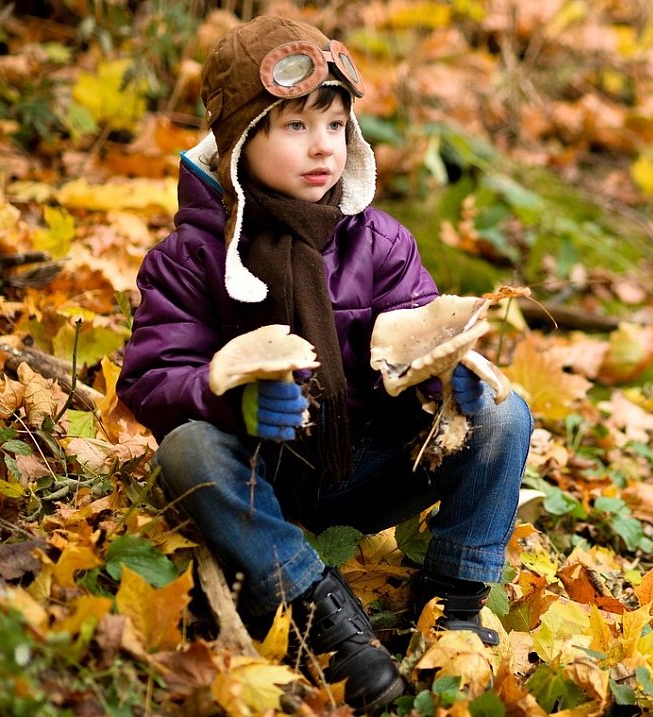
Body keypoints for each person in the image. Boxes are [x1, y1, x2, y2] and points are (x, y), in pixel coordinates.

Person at [115, 15, 533, 712]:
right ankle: (312, 605)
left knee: (503, 411)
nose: (323, 147)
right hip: (258, 476)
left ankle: (453, 599)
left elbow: (411, 338)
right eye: (295, 126)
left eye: (336, 126)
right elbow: (152, 376)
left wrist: (440, 382)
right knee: (187, 451)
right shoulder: (191, 257)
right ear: (242, 141)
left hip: (361, 467)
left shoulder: (381, 243)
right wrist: (232, 400)